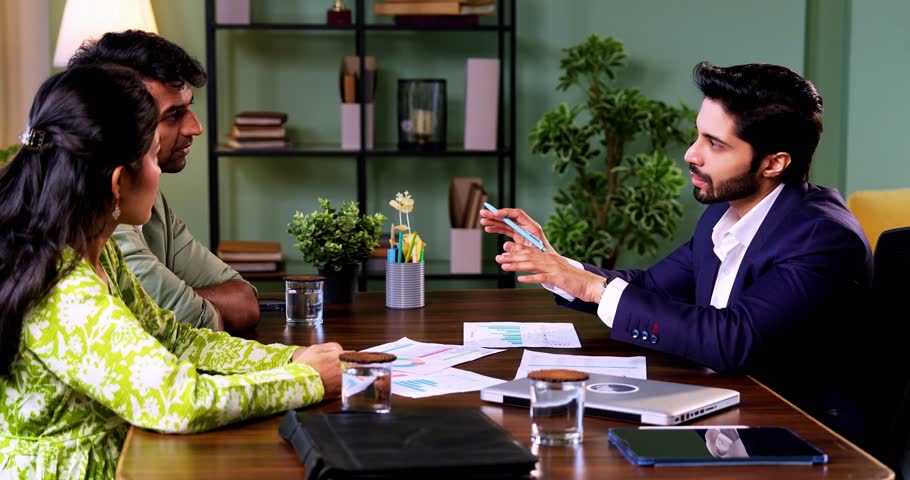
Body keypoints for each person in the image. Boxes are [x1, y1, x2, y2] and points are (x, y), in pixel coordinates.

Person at [481, 63, 877, 450]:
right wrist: (557, 264)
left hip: (802, 442)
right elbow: (652, 288)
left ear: (774, 163)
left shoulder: (822, 236)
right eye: (698, 136)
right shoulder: (721, 218)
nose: (691, 154)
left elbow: (733, 339)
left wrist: (591, 286)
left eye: (715, 144)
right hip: (731, 419)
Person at [0, 65, 343, 479]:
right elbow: (177, 400)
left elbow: (172, 339)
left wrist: (289, 357)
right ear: (117, 182)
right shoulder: (64, 290)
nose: (158, 170)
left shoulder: (99, 252)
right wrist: (307, 382)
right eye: (149, 156)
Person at [67, 30, 258, 333]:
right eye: (173, 115)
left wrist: (183, 301)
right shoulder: (95, 214)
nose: (196, 128)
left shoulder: (147, 202)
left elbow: (243, 301)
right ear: (113, 123)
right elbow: (195, 324)